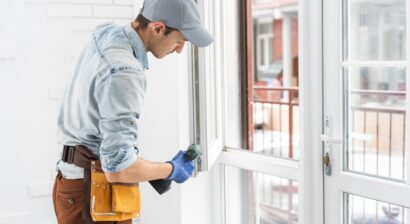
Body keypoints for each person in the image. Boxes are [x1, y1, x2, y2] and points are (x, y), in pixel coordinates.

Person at [52, 0, 214, 223]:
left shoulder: (105, 33)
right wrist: (171, 169)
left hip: (73, 183)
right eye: (179, 41)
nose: (179, 50)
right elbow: (118, 169)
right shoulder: (125, 71)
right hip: (92, 193)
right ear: (158, 28)